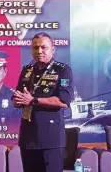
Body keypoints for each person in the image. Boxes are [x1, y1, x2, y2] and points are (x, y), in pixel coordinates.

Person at [12, 32, 72, 172]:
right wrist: (18, 100)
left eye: (43, 47)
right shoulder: (27, 70)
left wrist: (33, 100)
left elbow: (63, 101)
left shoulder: (62, 70)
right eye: (35, 47)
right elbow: (17, 98)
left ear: (53, 49)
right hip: (28, 136)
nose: (39, 51)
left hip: (50, 138)